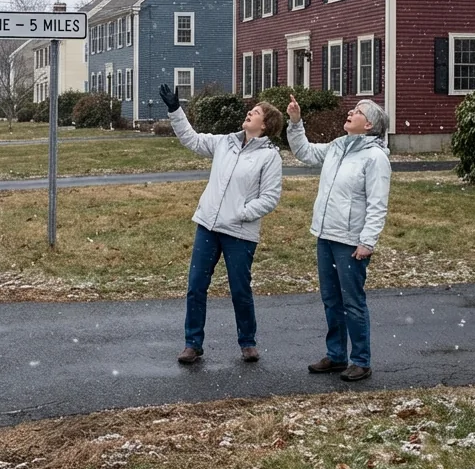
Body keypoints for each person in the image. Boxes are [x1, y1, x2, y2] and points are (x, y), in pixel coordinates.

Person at [159, 83, 285, 365]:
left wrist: (239, 212)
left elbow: (269, 198)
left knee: (240, 289)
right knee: (196, 286)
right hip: (208, 226)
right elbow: (192, 140)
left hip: (239, 233)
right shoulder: (225, 142)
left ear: (265, 126)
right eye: (251, 110)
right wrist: (174, 110)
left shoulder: (269, 157)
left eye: (255, 113)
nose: (249, 114)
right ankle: (193, 344)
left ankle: (248, 342)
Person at [286, 95, 391, 382]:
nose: (350, 112)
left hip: (350, 242)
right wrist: (296, 122)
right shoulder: (337, 147)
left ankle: (361, 360)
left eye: (357, 111)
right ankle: (336, 356)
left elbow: (377, 204)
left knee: (352, 302)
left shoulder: (375, 158)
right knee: (331, 299)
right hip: (326, 234)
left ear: (369, 125)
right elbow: (304, 152)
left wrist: (367, 242)